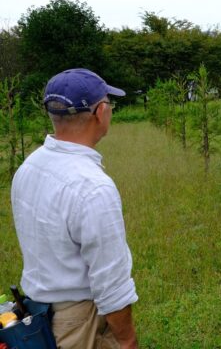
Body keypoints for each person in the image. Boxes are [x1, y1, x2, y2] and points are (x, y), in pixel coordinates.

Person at [11, 68, 139, 348]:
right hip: (80, 324)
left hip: (39, 317)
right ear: (101, 111)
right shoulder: (93, 188)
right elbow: (111, 285)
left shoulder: (29, 167)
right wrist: (128, 341)